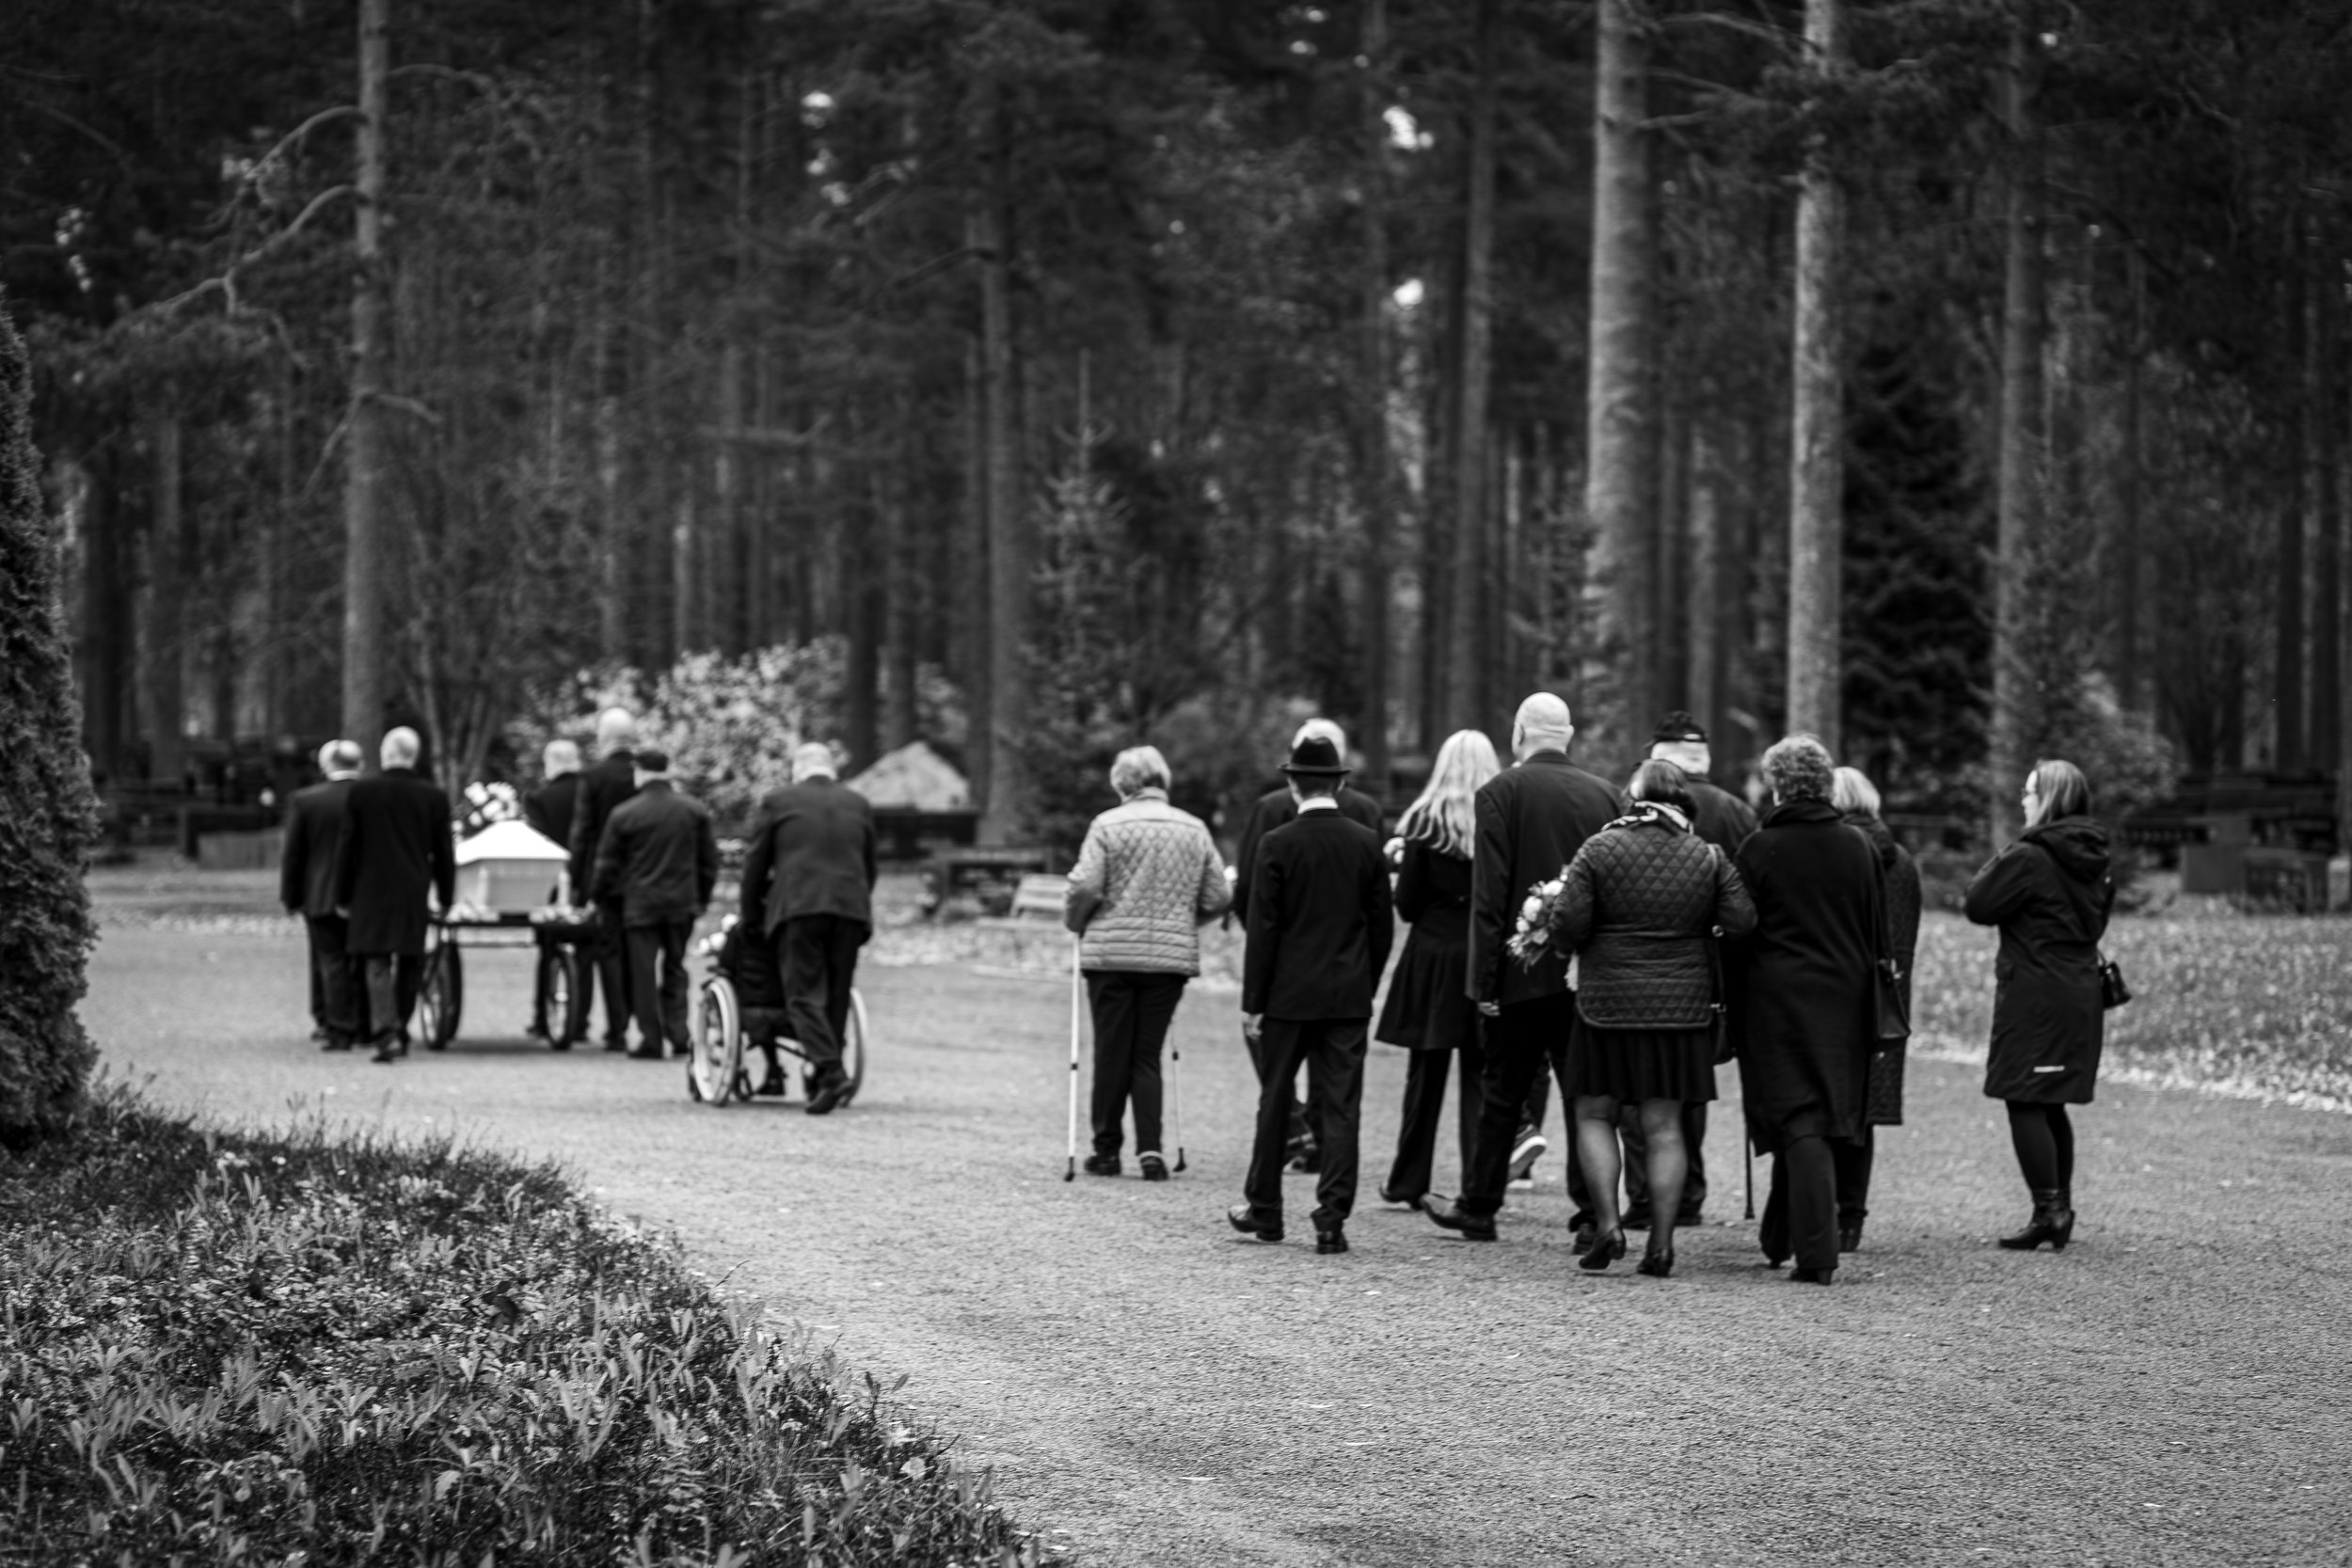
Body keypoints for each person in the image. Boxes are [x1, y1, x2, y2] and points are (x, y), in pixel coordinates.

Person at [1423, 693, 1622, 1244]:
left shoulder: (1499, 794)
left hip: (1518, 971)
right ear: (1570, 734)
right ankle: (1591, 1214)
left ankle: (1480, 1205)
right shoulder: (1607, 796)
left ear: (1517, 734)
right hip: (1584, 974)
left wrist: (1484, 980)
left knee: (1503, 1092)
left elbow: (1492, 893)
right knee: (1585, 1097)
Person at [1544, 760, 1756, 1275]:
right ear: (1682, 802)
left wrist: (1572, 945)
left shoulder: (1598, 849)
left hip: (1605, 1008)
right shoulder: (1707, 856)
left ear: (1631, 800)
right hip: (1680, 1011)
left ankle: (1610, 1226)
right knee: (1664, 1126)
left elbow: (1566, 923)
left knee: (1595, 1114)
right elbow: (1741, 921)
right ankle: (1661, 1246)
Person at [1730, 734, 1888, 1285]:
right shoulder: (1859, 846)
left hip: (1778, 1000)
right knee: (1815, 1116)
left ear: (1777, 786)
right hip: (1846, 996)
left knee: (1797, 1119)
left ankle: (1816, 1253)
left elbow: (1738, 932)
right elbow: (1876, 929)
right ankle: (1779, 1236)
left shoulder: (1759, 849)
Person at [1230, 734, 1394, 1253]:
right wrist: (1364, 984)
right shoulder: (1365, 842)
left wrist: (1253, 1001)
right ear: (1341, 783)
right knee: (1342, 1104)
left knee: (1275, 1099)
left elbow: (1265, 931)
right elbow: (1380, 928)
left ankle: (1266, 1209)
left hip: (1287, 994)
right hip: (1346, 993)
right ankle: (1331, 1217)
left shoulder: (1276, 844)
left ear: (1292, 784)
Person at [1963, 758, 2115, 1253]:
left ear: (2048, 798)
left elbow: (1978, 904)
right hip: (2077, 990)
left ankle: (2051, 1210)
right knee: (2048, 1097)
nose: (2022, 800)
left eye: (2030, 792)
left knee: (2024, 1095)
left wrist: (2010, 851)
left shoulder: (2030, 856)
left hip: (2036, 992)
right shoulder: (2094, 855)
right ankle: (2057, 1208)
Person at [1065, 745, 1232, 1180]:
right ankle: (1151, 1151)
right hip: (1167, 962)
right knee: (1147, 1054)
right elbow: (1219, 896)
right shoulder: (1194, 829)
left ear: (1123, 783)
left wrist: (1076, 922)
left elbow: (1085, 887)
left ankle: (1105, 1150)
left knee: (1110, 1051)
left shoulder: (1106, 825)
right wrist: (1185, 922)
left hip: (1111, 955)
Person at [1372, 728, 1501, 1211]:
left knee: (1424, 1075)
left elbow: (1405, 904)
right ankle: (1477, 1184)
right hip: (1479, 953)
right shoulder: (1499, 818)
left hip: (1431, 954)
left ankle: (1408, 1179)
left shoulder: (1424, 823)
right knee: (1479, 1076)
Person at [740, 740, 878, 1116]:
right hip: (849, 908)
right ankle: (821, 1077)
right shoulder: (858, 803)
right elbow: (869, 866)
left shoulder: (778, 801)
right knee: (836, 994)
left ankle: (831, 1073)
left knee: (802, 995)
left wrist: (751, 916)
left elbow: (756, 865)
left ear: (797, 769)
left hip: (799, 907)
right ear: (831, 768)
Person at [1832, 765, 1923, 1251]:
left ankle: (1821, 1208)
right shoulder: (1901, 860)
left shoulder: (1837, 853)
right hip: (1885, 998)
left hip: (1838, 992)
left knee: (1829, 1102)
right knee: (1864, 1113)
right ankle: (1852, 1216)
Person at [331, 727, 456, 1064]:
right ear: (413, 756)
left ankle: (386, 1032)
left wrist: (341, 893)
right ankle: (399, 1026)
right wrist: (447, 896)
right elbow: (444, 852)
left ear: (386, 754)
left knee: (376, 961)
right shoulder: (433, 797)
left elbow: (347, 847)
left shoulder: (362, 793)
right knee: (411, 959)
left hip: (369, 888)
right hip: (412, 889)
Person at [592, 748, 718, 1061]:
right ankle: (678, 1033)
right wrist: (701, 897)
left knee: (643, 972)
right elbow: (708, 862)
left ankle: (651, 1037)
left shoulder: (625, 813)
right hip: (681, 902)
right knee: (676, 967)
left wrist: (598, 897)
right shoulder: (693, 810)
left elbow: (607, 864)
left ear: (641, 773)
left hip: (641, 904)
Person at [280, 739, 364, 1052]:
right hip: (364, 894)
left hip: (319, 892)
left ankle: (334, 1023)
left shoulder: (306, 800)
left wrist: (290, 896)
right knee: (359, 960)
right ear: (360, 764)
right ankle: (357, 1022)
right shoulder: (371, 798)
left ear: (327, 766)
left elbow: (294, 854)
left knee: (328, 960)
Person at [568, 707, 641, 1051]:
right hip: (644, 878)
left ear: (605, 738)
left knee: (608, 952)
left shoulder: (593, 777)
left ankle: (617, 1027)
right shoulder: (645, 775)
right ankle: (636, 1018)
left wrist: (577, 883)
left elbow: (582, 833)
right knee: (635, 952)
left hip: (606, 877)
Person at [523, 737, 585, 1042]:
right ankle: (581, 1019)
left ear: (553, 762)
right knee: (588, 953)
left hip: (549, 884)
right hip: (587, 881)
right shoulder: (590, 793)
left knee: (548, 952)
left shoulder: (539, 797)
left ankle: (542, 1017)